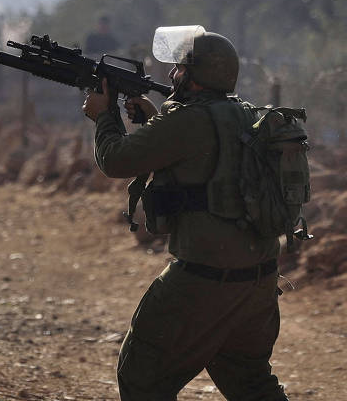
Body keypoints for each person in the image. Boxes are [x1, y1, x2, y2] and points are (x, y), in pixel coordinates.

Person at [82, 25, 288, 401]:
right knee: (252, 383)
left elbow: (116, 160)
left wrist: (102, 117)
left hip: (205, 279)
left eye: (179, 68)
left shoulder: (186, 119)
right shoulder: (246, 113)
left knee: (142, 377)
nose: (174, 75)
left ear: (195, 76)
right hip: (259, 280)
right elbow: (206, 158)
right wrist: (154, 120)